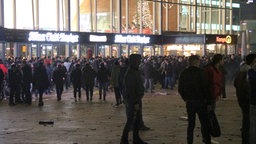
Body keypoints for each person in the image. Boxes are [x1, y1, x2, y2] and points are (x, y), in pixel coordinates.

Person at [178, 55, 211, 144]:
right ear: (196, 62)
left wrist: (185, 98)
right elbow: (206, 88)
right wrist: (208, 102)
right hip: (201, 101)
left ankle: (190, 141)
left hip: (190, 101)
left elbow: (180, 88)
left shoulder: (184, 73)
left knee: (191, 124)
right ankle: (207, 140)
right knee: (204, 123)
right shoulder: (201, 72)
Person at [120, 54, 147, 144]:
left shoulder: (135, 71)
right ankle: (124, 139)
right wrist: (135, 101)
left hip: (136, 99)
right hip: (133, 100)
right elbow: (130, 89)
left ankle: (136, 138)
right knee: (131, 120)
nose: (139, 62)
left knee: (136, 120)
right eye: (138, 61)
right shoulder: (131, 72)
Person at [234, 54, 256, 144]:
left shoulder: (241, 71)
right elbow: (248, 87)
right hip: (248, 100)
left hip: (242, 99)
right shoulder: (249, 72)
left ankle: (245, 136)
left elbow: (235, 84)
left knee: (246, 119)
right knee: (250, 122)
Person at [204, 54, 224, 144]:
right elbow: (208, 85)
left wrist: (219, 93)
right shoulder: (210, 69)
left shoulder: (216, 69)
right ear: (219, 60)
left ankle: (208, 136)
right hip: (209, 97)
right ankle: (207, 137)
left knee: (210, 116)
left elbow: (218, 83)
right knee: (208, 118)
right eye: (222, 60)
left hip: (213, 96)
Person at [247, 54, 256, 144]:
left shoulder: (250, 72)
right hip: (253, 101)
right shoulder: (249, 71)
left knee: (253, 124)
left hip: (253, 100)